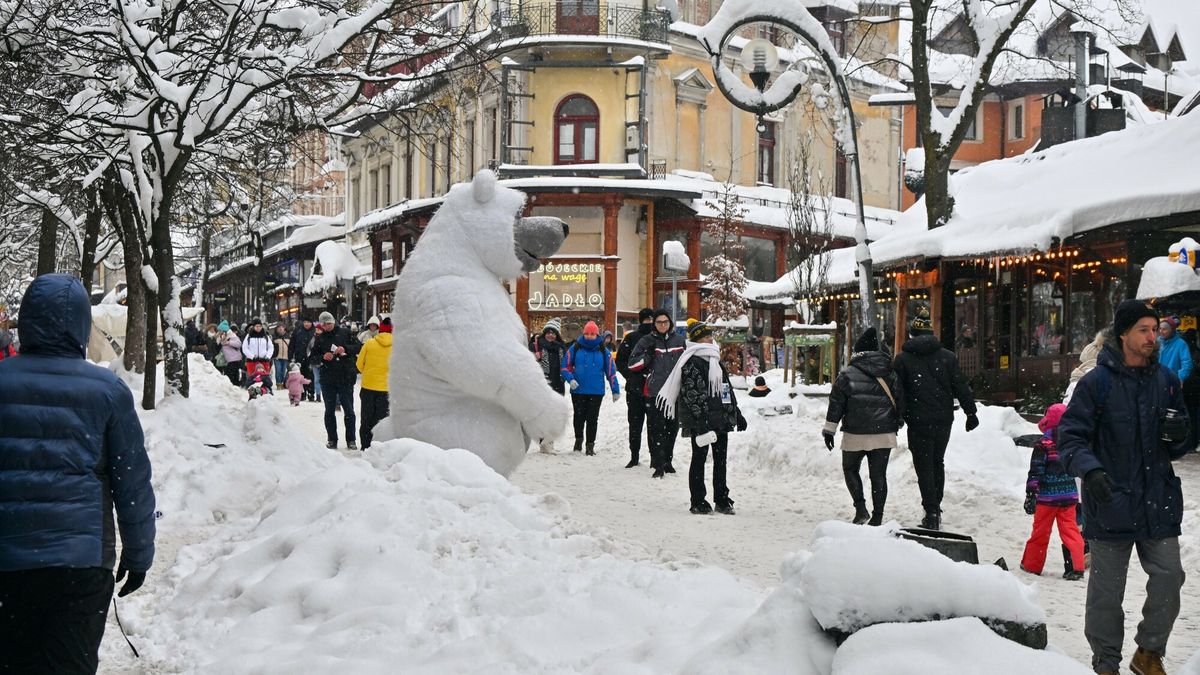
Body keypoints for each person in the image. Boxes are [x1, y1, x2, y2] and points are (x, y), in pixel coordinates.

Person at [0, 274, 155, 673]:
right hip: (79, 565)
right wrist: (138, 553)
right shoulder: (107, 391)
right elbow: (131, 481)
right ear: (82, 325)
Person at [1058, 300, 1190, 675]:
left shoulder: (1165, 380)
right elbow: (1070, 439)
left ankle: (1148, 652)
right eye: (1144, 330)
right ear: (1123, 335)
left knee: (1169, 576)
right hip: (1110, 499)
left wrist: (1180, 435)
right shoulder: (1095, 383)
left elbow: (1178, 439)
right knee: (1106, 594)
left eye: (1154, 329)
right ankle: (1106, 662)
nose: (1153, 337)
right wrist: (1091, 471)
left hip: (1158, 499)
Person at [893, 306, 978, 530]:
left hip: (918, 420)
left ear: (911, 335)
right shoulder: (947, 357)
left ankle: (931, 511)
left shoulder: (902, 360)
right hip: (943, 419)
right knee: (937, 462)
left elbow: (898, 392)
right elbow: (960, 385)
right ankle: (935, 508)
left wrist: (898, 417)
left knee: (924, 466)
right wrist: (971, 412)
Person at [656, 319, 747, 515]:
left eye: (710, 336)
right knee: (699, 459)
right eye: (706, 337)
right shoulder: (691, 362)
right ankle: (698, 500)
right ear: (697, 340)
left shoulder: (715, 361)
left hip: (720, 418)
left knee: (720, 460)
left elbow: (726, 390)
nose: (710, 340)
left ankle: (722, 499)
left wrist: (736, 413)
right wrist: (702, 421)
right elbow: (692, 395)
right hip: (701, 421)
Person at [823, 327, 902, 526]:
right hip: (884, 433)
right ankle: (878, 516)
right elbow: (901, 399)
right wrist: (897, 421)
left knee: (850, 469)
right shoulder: (890, 372)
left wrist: (829, 430)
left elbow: (836, 405)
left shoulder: (847, 374)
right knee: (879, 475)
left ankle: (861, 509)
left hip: (855, 433)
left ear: (857, 352)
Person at [1020, 403, 1086, 581]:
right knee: (1071, 531)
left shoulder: (1043, 445)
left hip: (1047, 499)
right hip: (1069, 496)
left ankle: (1032, 565)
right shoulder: (1070, 444)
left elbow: (1036, 471)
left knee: (1041, 532)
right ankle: (1076, 567)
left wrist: (1031, 494)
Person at [629, 308, 687, 478]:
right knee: (656, 429)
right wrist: (647, 355)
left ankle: (668, 460)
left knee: (672, 428)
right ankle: (658, 463)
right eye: (659, 322)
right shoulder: (646, 341)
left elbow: (686, 363)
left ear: (670, 323)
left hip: (674, 392)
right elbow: (632, 364)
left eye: (665, 322)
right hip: (654, 392)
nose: (663, 325)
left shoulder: (679, 340)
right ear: (654, 324)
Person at [561, 320, 620, 455]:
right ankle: (578, 440)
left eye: (592, 334)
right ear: (583, 333)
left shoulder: (603, 351)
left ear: (597, 335)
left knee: (592, 418)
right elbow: (565, 367)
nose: (589, 336)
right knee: (579, 417)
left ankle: (590, 445)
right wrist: (570, 379)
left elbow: (611, 372)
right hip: (578, 390)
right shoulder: (575, 348)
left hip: (596, 391)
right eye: (587, 333)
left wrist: (615, 390)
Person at [309, 311, 357, 449]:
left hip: (345, 377)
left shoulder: (345, 333)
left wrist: (346, 348)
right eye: (324, 324)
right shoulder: (320, 338)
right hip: (328, 379)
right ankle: (332, 439)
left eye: (329, 323)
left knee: (349, 410)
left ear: (333, 322)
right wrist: (323, 357)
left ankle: (351, 440)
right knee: (329, 411)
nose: (327, 326)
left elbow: (359, 347)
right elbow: (312, 357)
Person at [615, 308, 655, 468]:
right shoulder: (631, 338)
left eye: (651, 320)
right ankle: (634, 456)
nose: (649, 323)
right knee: (635, 425)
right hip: (635, 390)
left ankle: (654, 457)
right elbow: (621, 360)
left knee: (654, 427)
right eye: (646, 320)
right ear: (641, 320)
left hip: (653, 389)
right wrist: (631, 377)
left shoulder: (658, 338)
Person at [356, 316, 392, 450]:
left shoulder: (369, 344)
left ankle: (365, 446)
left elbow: (359, 364)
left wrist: (369, 372)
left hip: (368, 387)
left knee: (366, 419)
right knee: (382, 420)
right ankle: (380, 447)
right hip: (386, 389)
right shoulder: (397, 347)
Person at [532, 318, 567, 453]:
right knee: (543, 415)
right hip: (543, 386)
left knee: (553, 416)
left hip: (558, 385)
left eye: (554, 333)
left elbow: (566, 365)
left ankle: (549, 443)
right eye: (548, 332)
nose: (551, 335)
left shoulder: (561, 348)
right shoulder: (536, 346)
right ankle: (544, 443)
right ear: (544, 333)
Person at [1157, 316, 1192, 385]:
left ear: (1172, 330)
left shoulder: (1181, 344)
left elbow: (1186, 363)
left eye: (1164, 329)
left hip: (1171, 381)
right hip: (1157, 379)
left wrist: (1181, 377)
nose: (1161, 331)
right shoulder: (1158, 341)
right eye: (1160, 328)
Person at [290, 317, 316, 401]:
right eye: (305, 322)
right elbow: (292, 345)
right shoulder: (298, 331)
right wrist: (290, 356)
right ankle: (302, 393)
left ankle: (311, 393)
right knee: (300, 376)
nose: (306, 324)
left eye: (308, 322)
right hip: (299, 357)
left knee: (311, 376)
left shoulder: (314, 331)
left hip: (311, 358)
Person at [217, 320, 244, 386]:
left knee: (233, 377)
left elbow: (239, 344)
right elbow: (218, 346)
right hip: (227, 360)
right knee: (228, 376)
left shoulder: (232, 336)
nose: (220, 332)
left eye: (221, 330)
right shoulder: (221, 337)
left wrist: (229, 343)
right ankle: (231, 388)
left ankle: (235, 389)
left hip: (234, 359)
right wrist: (220, 339)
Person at [272, 323, 290, 390]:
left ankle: (282, 383)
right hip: (277, 357)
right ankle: (278, 384)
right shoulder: (274, 337)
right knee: (278, 370)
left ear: (284, 328)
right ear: (276, 329)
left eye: (282, 327)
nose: (280, 328)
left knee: (283, 371)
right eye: (279, 327)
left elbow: (290, 347)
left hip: (286, 357)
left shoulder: (288, 336)